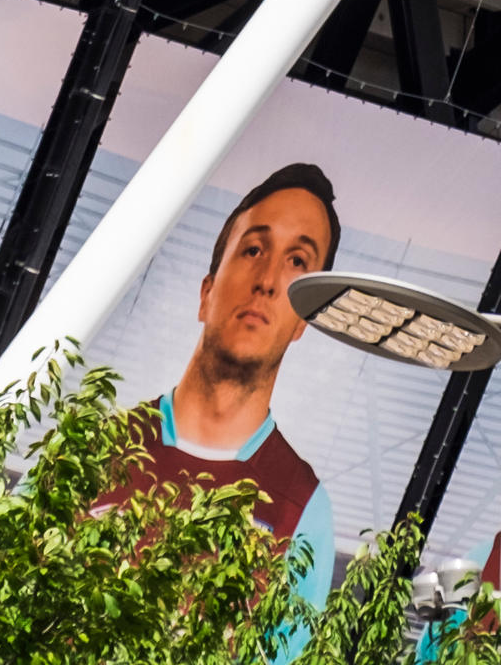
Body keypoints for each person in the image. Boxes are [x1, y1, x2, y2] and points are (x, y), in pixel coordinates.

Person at [100, 163, 342, 617]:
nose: (267, 281)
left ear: (301, 324)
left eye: (297, 262)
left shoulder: (303, 506)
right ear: (206, 292)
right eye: (253, 250)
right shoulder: (96, 450)